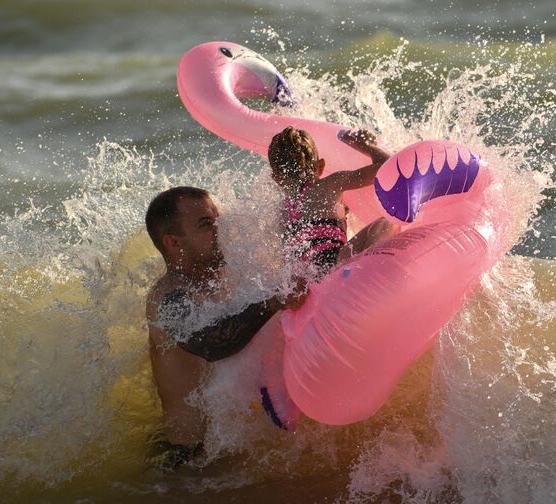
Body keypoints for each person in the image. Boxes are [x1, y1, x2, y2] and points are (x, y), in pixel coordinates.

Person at [144, 186, 305, 469]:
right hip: (188, 464)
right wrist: (271, 303)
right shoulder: (170, 298)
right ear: (174, 243)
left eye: (219, 220)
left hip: (224, 453)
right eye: (207, 224)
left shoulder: (226, 278)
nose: (221, 230)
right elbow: (210, 344)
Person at [268, 126, 398, 278]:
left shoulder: (283, 210)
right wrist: (367, 146)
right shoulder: (331, 184)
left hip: (308, 279)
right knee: (386, 222)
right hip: (334, 266)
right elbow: (387, 168)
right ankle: (372, 270)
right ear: (321, 166)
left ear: (276, 179)